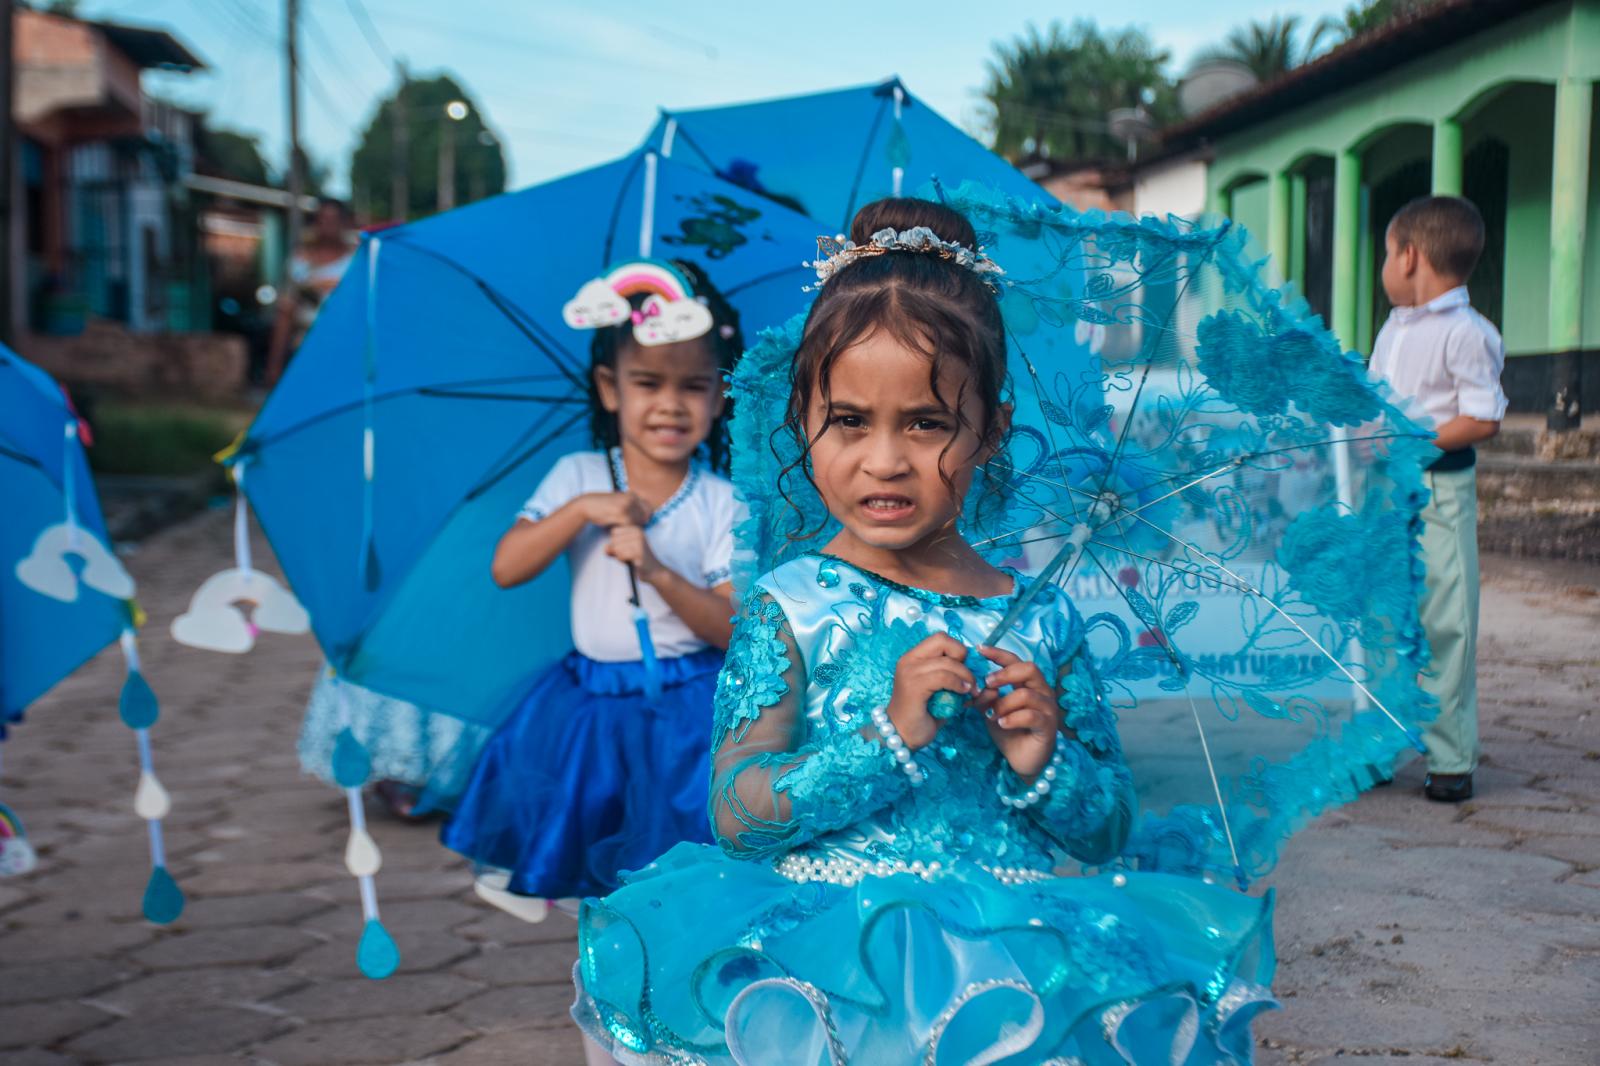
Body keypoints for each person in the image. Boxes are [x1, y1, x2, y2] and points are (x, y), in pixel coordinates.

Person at [571, 199, 1275, 1065]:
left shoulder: (1040, 615)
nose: (885, 460)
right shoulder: (789, 605)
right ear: (803, 423)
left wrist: (1043, 756)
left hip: (1019, 971)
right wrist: (888, 736)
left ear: (991, 430)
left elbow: (1108, 827)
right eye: (850, 421)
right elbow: (735, 815)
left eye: (929, 423)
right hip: (831, 983)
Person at [442, 259, 741, 923]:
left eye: (693, 386)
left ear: (719, 397)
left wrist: (658, 568)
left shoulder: (722, 502)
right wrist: (581, 512)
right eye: (646, 383)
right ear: (610, 389)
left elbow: (731, 628)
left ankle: (679, 997)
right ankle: (605, 1006)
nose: (669, 403)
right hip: (590, 710)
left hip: (691, 710)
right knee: (595, 870)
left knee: (686, 874)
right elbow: (508, 566)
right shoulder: (575, 474)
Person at [1371, 195, 1507, 803]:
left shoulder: (1467, 333)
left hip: (1439, 491)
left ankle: (1450, 756)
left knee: (1445, 620)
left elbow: (1482, 418)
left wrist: (1412, 441)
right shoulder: (1394, 327)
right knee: (1381, 615)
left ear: (1409, 256)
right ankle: (1374, 745)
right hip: (1385, 489)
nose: (1383, 268)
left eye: (1384, 254)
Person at [266, 197, 356, 386]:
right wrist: (274, 364)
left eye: (333, 220)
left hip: (344, 348)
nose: (327, 225)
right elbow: (286, 313)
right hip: (305, 348)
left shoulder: (356, 263)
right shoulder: (299, 263)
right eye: (321, 219)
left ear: (344, 223)